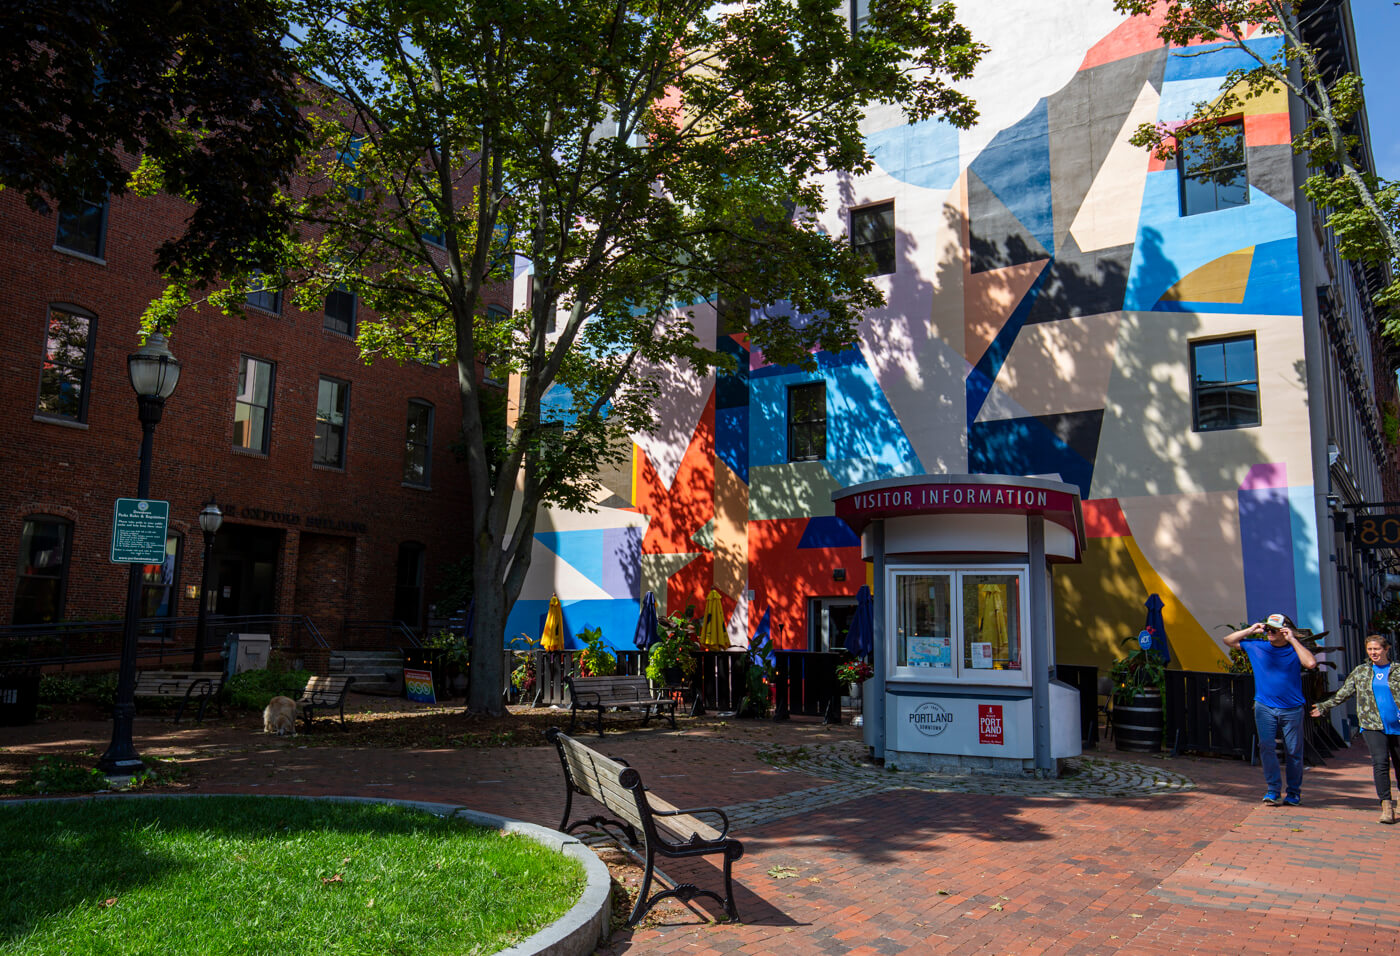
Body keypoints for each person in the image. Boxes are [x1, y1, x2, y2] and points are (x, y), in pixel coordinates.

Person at [1224, 613, 1317, 806]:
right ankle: (1273, 790)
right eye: (1268, 629)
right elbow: (1228, 640)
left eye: (1274, 630)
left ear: (1285, 631)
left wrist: (1292, 640)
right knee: (1266, 746)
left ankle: (1293, 792)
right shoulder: (1258, 646)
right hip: (1264, 707)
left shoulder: (1294, 649)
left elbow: (1310, 663)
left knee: (1293, 751)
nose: (1269, 633)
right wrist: (1251, 630)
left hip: (1292, 708)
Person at [1311, 634, 1400, 824]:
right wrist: (1324, 706)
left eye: (1377, 649)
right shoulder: (1361, 672)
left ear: (1386, 649)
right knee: (1380, 762)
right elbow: (1344, 693)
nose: (1373, 653)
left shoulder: (1397, 671)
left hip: (1397, 725)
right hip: (1372, 724)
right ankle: (1386, 806)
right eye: (1370, 649)